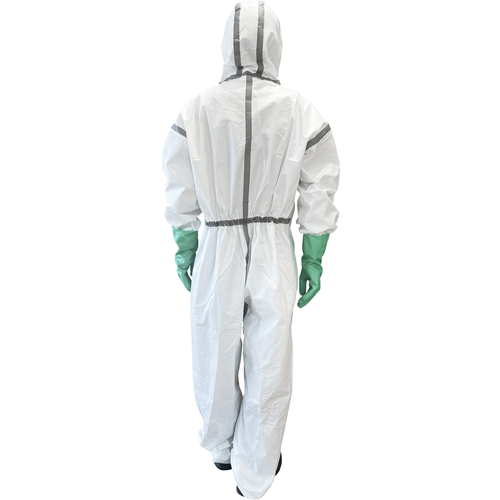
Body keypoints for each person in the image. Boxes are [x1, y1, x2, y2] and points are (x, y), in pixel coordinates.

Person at [161, 1, 340, 497]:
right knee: (270, 359)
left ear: (226, 44)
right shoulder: (300, 109)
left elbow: (178, 183)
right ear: (277, 44)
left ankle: (221, 447)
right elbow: (320, 184)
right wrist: (313, 253)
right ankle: (256, 467)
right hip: (273, 248)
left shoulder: (197, 109)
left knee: (213, 347)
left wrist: (185, 242)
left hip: (217, 243)